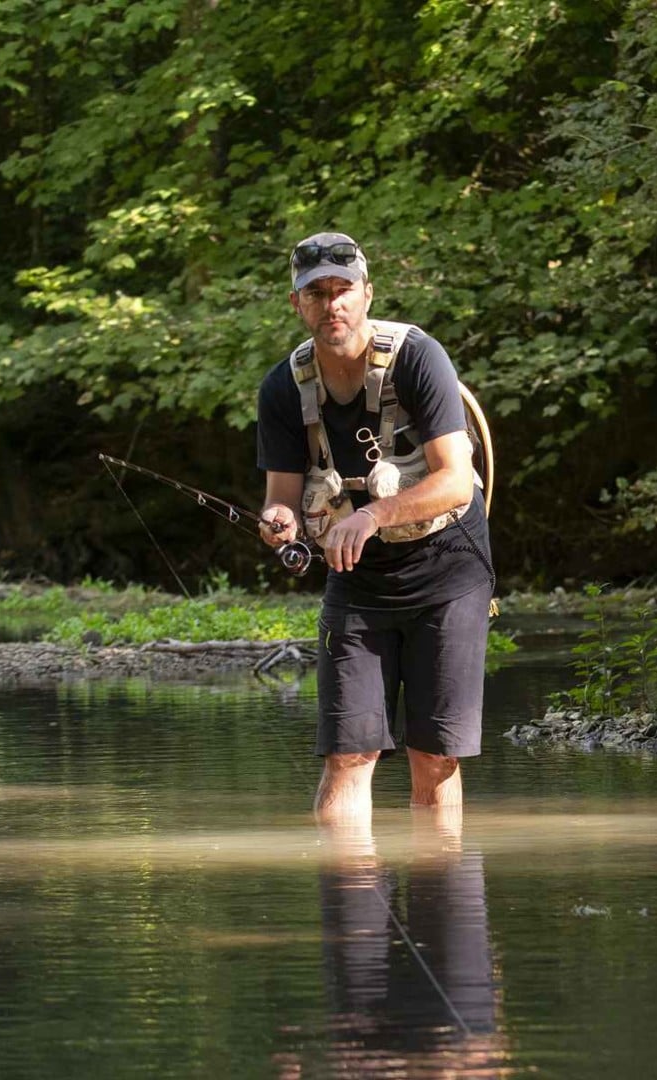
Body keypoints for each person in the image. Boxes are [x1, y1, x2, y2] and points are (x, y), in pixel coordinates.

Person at [256, 231, 495, 824]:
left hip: (450, 569)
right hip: (356, 580)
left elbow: (456, 482)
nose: (330, 303)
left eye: (342, 290)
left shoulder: (418, 356)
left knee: (433, 757)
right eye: (316, 293)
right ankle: (350, 908)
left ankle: (439, 897)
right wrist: (279, 524)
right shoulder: (283, 387)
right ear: (297, 304)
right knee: (347, 754)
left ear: (365, 294)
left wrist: (371, 514)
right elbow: (281, 499)